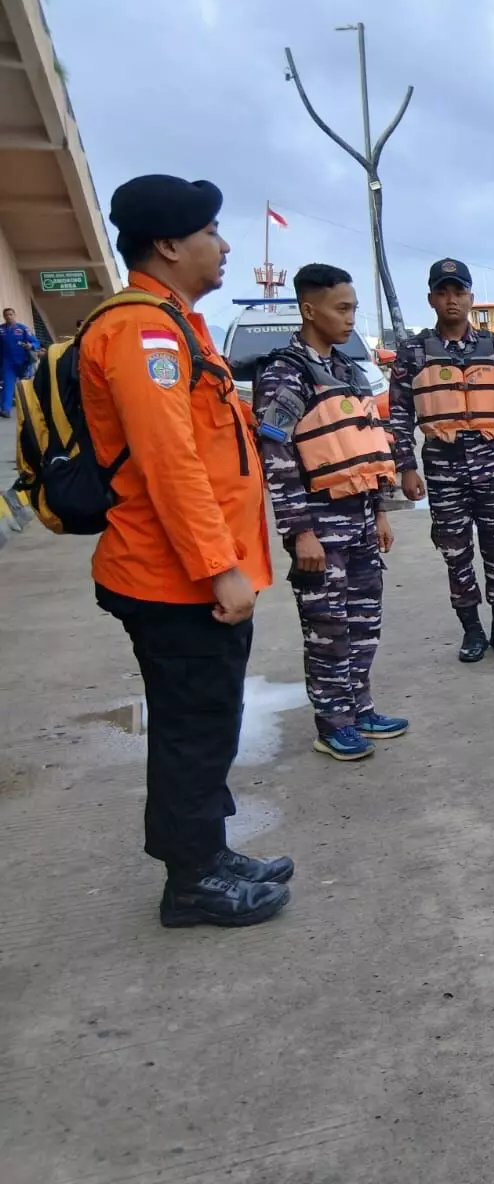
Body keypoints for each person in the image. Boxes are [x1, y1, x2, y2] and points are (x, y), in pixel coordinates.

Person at [81, 174, 289, 928]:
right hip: (175, 579)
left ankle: (208, 851)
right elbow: (170, 464)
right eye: (210, 231)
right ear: (168, 245)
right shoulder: (144, 333)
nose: (223, 245)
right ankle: (193, 881)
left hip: (187, 573)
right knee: (193, 729)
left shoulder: (176, 324)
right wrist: (219, 568)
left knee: (209, 721)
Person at [253, 263, 407, 763]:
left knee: (364, 622)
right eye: (341, 308)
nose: (349, 318)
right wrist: (299, 531)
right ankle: (333, 724)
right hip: (318, 526)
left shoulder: (346, 370)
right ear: (308, 309)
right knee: (328, 629)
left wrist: (379, 511)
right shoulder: (286, 373)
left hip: (359, 518)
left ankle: (360, 709)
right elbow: (276, 457)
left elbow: (364, 443)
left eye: (353, 308)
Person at [387, 259, 494, 662]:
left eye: (459, 292)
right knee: (455, 554)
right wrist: (406, 467)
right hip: (442, 469)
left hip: (492, 467)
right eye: (443, 292)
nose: (451, 300)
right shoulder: (414, 352)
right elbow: (399, 414)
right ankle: (472, 630)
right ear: (431, 299)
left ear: (471, 297)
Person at [0, 305, 38, 418]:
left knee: (26, 386)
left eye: (10, 314)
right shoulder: (1, 329)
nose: (8, 316)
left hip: (23, 362)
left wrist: (31, 345)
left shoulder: (23, 329)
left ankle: (32, 409)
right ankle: (6, 410)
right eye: (6, 315)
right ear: (4, 316)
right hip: (7, 363)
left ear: (14, 315)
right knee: (7, 386)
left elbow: (36, 342)